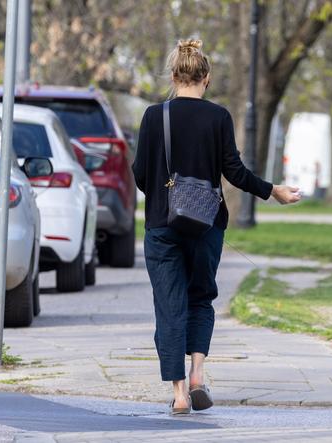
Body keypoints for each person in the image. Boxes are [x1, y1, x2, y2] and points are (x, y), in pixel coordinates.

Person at [132, 39, 301, 415]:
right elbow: (235, 173)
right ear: (206, 78)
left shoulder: (152, 116)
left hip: (162, 226)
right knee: (201, 298)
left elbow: (140, 174)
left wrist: (164, 196)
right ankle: (197, 373)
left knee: (169, 307)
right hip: (207, 226)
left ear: (173, 76)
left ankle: (178, 394)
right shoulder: (219, 117)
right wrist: (273, 191)